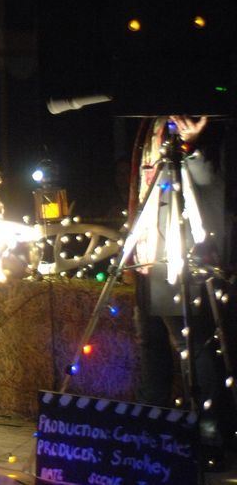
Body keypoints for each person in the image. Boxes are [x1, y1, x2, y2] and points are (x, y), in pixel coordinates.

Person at [130, 114, 230, 468]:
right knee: (151, 345)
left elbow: (210, 182)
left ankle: (207, 434)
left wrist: (192, 145)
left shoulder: (206, 121)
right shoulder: (151, 125)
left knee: (193, 348)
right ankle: (150, 431)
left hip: (180, 258)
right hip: (146, 256)